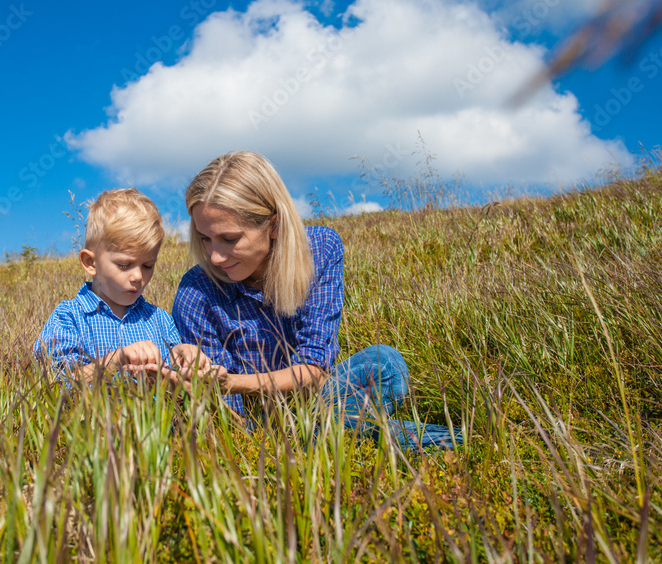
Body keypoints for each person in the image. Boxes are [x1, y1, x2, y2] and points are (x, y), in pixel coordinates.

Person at [166, 151, 461, 452]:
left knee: (385, 364)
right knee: (345, 423)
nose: (214, 256)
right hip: (255, 425)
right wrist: (205, 388)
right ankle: (454, 442)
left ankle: (314, 436)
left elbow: (314, 367)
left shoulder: (320, 249)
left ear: (273, 225)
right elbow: (230, 417)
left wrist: (234, 382)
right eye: (204, 239)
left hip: (320, 401)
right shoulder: (196, 291)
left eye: (229, 239)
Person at [33, 187, 181, 383]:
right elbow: (57, 383)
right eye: (124, 265)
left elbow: (182, 390)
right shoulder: (69, 317)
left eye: (147, 265)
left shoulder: (160, 320)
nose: (138, 276)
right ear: (90, 263)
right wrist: (116, 360)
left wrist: (184, 359)